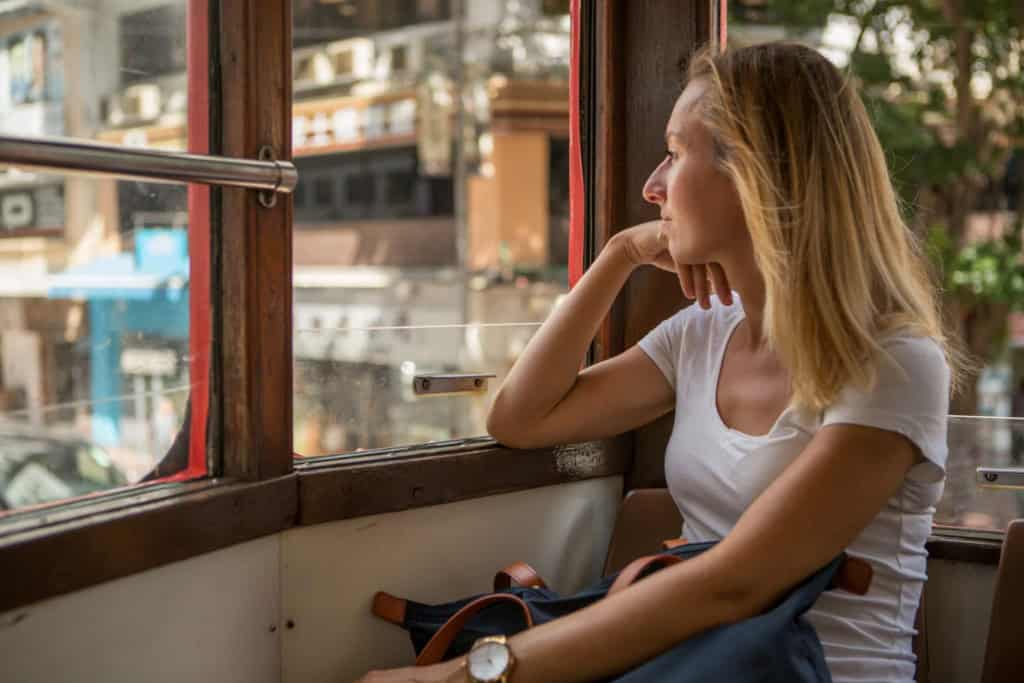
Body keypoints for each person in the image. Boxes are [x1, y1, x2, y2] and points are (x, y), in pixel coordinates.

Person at [357, 42, 961, 683]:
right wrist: (617, 255)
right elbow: (518, 418)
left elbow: (732, 586)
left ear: (755, 175)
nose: (652, 187)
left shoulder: (893, 365)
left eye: (674, 155)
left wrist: (462, 677)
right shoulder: (702, 335)